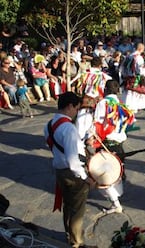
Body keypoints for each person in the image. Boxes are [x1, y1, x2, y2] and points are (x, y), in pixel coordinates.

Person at [43, 92, 96, 248]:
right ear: (70, 106)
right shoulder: (69, 128)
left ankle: (69, 235)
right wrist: (85, 178)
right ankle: (76, 243)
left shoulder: (48, 124)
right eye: (77, 108)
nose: (77, 112)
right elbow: (73, 161)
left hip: (60, 171)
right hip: (73, 174)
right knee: (77, 211)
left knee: (68, 206)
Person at [94, 80, 135, 213]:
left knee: (105, 174)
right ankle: (117, 195)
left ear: (105, 89)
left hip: (107, 143)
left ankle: (115, 204)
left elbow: (98, 123)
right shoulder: (122, 104)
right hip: (119, 143)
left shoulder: (103, 104)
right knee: (117, 170)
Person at [121, 42, 145, 113]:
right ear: (141, 49)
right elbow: (140, 69)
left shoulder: (128, 56)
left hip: (128, 78)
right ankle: (132, 110)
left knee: (128, 94)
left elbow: (122, 67)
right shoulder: (139, 57)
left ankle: (128, 108)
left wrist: (124, 75)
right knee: (135, 94)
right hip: (135, 79)